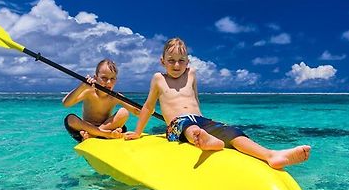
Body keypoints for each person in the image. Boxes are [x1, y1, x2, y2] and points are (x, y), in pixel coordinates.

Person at [125, 38, 311, 169]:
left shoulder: (191, 74)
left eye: (181, 61)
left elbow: (195, 101)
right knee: (188, 126)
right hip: (177, 124)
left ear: (188, 61)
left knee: (231, 131)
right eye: (171, 61)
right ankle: (202, 139)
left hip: (200, 120)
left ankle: (271, 155)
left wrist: (208, 123)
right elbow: (149, 107)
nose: (176, 65)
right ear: (162, 61)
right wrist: (138, 132)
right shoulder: (158, 78)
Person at [63, 59, 139, 141]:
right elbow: (66, 103)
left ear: (116, 80)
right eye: (104, 78)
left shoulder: (115, 96)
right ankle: (104, 134)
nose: (108, 82)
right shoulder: (88, 92)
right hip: (90, 128)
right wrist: (82, 86)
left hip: (105, 127)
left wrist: (148, 108)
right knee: (70, 119)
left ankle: (92, 135)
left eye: (112, 78)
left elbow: (136, 111)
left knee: (124, 112)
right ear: (95, 78)